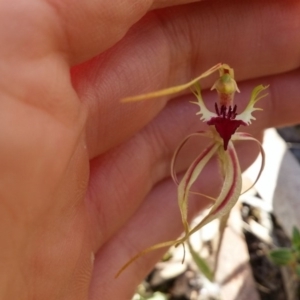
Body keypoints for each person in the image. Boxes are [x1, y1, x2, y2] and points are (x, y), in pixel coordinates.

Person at [1, 0, 299, 299]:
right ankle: (186, 238)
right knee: (189, 195)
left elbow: (237, 116)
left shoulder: (231, 112)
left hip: (229, 139)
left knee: (218, 191)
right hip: (222, 137)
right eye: (224, 89)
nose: (226, 91)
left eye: (228, 91)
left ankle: (193, 236)